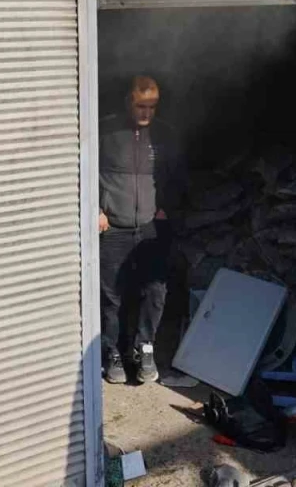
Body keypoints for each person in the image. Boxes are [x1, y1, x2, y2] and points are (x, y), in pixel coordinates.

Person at [99, 75, 180, 385]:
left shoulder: (164, 135)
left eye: (152, 107)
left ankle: (144, 347)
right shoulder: (105, 131)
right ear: (128, 102)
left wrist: (167, 206)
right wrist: (96, 208)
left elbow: (175, 174)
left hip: (150, 226)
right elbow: (84, 169)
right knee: (113, 296)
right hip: (113, 226)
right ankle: (113, 353)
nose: (146, 113)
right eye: (140, 106)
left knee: (155, 291)